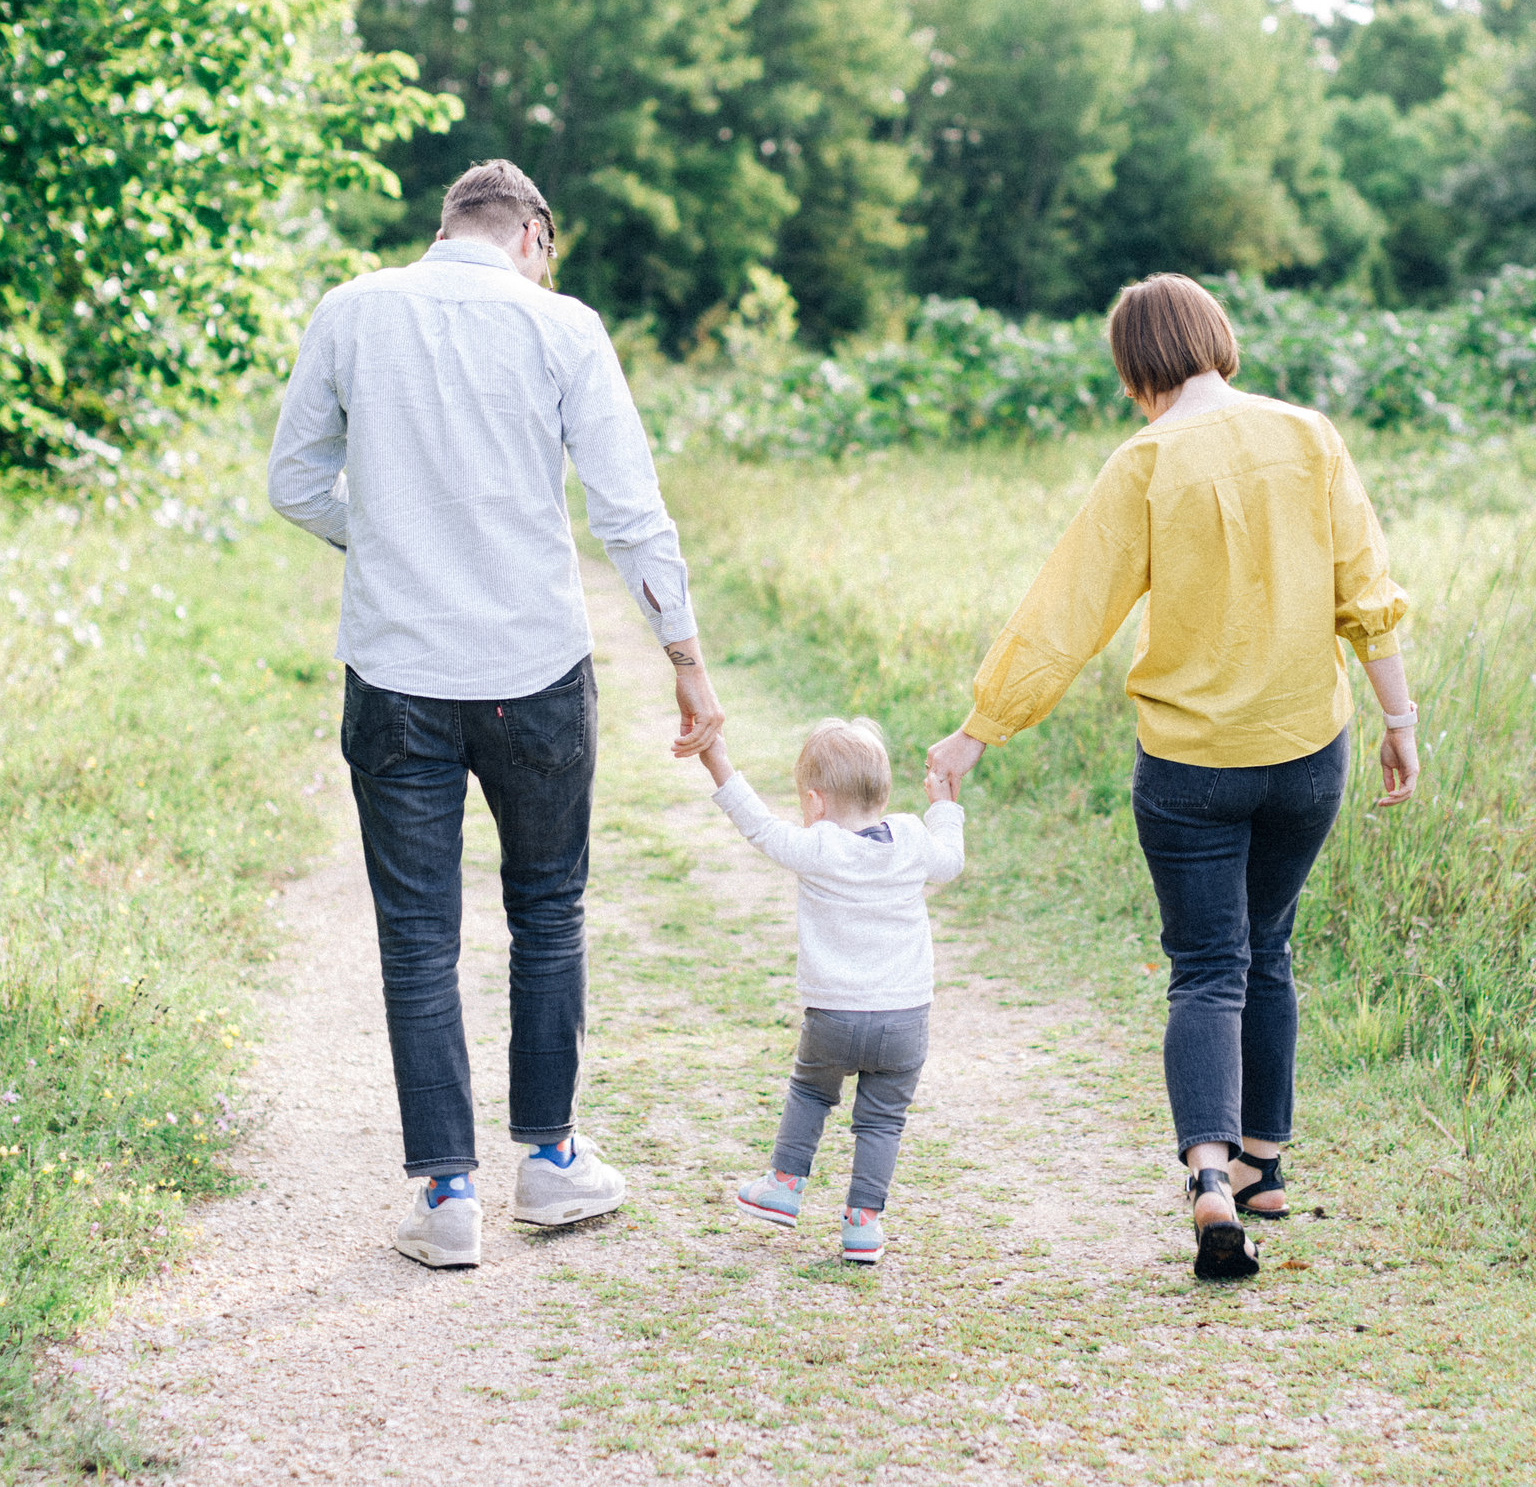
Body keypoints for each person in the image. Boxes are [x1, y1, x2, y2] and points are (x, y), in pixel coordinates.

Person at [267, 159, 726, 1272]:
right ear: (535, 233)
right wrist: (687, 663)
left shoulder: (352, 309)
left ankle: (445, 1193)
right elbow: (629, 510)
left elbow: (293, 482)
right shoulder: (562, 326)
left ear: (446, 228)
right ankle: (553, 1163)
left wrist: (381, 541)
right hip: (534, 667)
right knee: (547, 911)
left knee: (418, 934)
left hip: (396, 672)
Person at [924, 274, 1419, 1282]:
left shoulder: (1144, 461)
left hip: (1190, 764)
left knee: (1207, 966)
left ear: (1133, 366)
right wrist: (1398, 719)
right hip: (1304, 752)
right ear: (1214, 337)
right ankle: (1263, 1168)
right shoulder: (1309, 435)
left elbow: (1067, 611)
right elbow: (1363, 588)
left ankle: (1205, 1173)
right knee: (1267, 945)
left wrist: (979, 731)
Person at [700, 716, 964, 1266]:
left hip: (833, 1018)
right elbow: (952, 861)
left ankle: (785, 1184)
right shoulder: (914, 839)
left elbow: (758, 826)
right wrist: (943, 803)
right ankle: (864, 1226)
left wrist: (718, 762)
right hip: (904, 1020)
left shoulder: (820, 848)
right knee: (882, 1120)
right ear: (883, 793)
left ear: (815, 802)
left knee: (812, 1093)